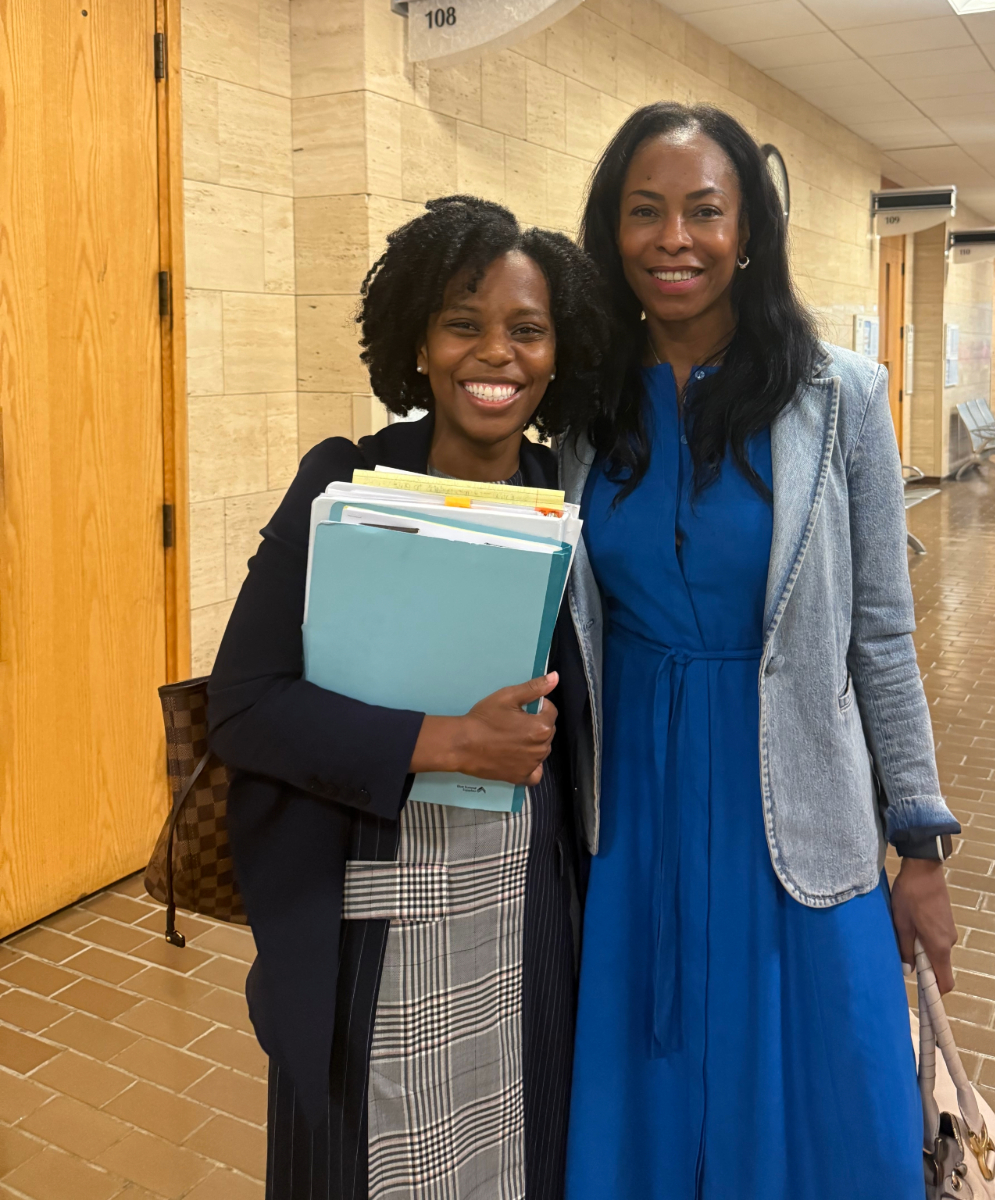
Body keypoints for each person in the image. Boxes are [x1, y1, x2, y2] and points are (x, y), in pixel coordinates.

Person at [558, 103, 961, 1199]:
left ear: (750, 231)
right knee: (644, 1070)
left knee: (828, 1081)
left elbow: (880, 630)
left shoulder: (839, 397)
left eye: (704, 211)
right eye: (645, 212)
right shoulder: (584, 404)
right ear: (612, 228)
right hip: (633, 794)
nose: (674, 240)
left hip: (795, 789)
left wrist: (918, 842)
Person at [206, 196, 607, 1200]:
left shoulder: (574, 497)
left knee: (523, 1156)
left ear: (558, 353)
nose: (496, 356)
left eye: (527, 330)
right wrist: (445, 741)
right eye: (462, 323)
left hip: (531, 916)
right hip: (368, 918)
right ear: (419, 345)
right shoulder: (343, 484)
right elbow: (244, 706)